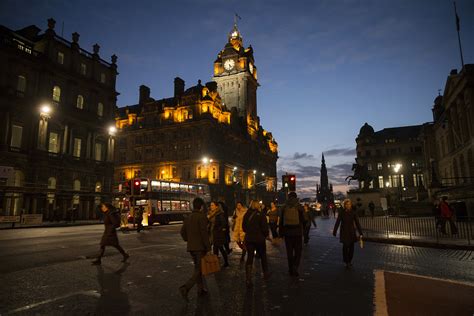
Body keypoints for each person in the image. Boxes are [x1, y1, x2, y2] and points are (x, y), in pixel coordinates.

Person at [179, 197, 211, 301]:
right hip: (200, 247)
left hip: (191, 247)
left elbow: (182, 232)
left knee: (198, 268)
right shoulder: (201, 217)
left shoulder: (189, 217)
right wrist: (208, 246)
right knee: (198, 270)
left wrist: (188, 239)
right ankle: (186, 287)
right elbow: (204, 233)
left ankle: (200, 289)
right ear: (201, 206)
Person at [242, 200, 271, 288]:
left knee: (250, 257)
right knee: (263, 256)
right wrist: (265, 235)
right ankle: (265, 274)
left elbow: (244, 228)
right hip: (259, 240)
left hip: (249, 239)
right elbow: (265, 229)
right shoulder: (261, 215)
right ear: (258, 206)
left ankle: (248, 279)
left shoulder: (246, 214)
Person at [279, 191, 306, 277]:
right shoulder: (299, 207)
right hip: (297, 233)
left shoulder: (284, 207)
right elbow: (304, 220)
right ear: (296, 197)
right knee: (298, 252)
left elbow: (281, 222)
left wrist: (281, 233)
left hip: (287, 233)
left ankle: (290, 268)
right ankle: (295, 267)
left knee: (289, 252)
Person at [332, 199, 363, 269]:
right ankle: (346, 261)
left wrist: (360, 232)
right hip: (344, 232)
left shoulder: (353, 212)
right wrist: (335, 231)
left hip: (351, 232)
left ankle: (349, 260)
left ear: (351, 205)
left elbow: (357, 223)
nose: (348, 205)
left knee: (352, 248)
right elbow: (337, 222)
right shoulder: (342, 213)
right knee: (345, 247)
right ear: (344, 205)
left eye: (349, 204)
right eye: (347, 204)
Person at [208, 201, 229, 267]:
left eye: (212, 205)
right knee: (216, 248)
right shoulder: (210, 214)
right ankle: (217, 263)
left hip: (217, 234)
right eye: (210, 205)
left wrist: (218, 230)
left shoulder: (219, 214)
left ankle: (224, 262)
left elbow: (224, 224)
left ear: (216, 206)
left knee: (219, 248)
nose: (211, 207)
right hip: (212, 234)